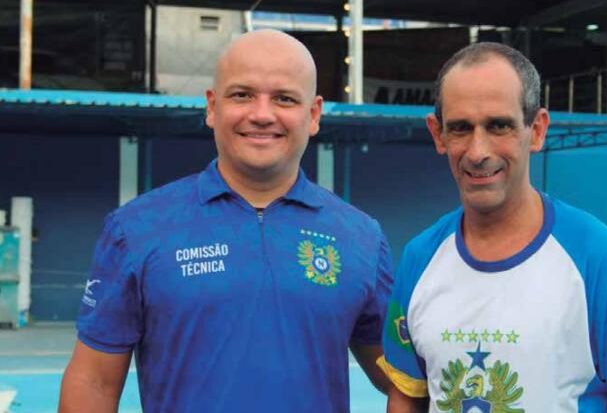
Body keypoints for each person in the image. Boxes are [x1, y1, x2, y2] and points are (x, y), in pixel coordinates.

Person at [59, 29, 392, 413]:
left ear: (313, 114)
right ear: (212, 107)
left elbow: (403, 380)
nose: (262, 115)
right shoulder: (135, 229)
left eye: (284, 98)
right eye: (242, 95)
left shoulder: (362, 238)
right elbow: (94, 382)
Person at [378, 42, 607, 412]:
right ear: (438, 134)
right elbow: (406, 397)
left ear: (536, 130)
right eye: (460, 128)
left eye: (499, 126)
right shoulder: (419, 259)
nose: (478, 152)